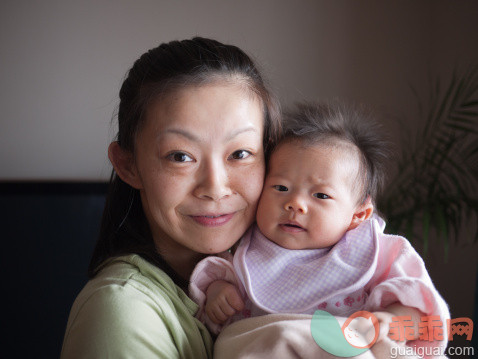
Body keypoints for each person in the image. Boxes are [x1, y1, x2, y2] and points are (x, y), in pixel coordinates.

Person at [60, 37, 281, 359]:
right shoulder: (123, 310)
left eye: (241, 153)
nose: (215, 187)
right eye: (180, 156)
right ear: (128, 164)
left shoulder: (273, 282)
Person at [189, 102, 450, 353]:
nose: (295, 204)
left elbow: (420, 310)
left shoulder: (378, 253)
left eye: (321, 196)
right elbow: (215, 284)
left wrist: (389, 319)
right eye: (281, 188)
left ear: (359, 215)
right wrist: (218, 294)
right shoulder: (243, 245)